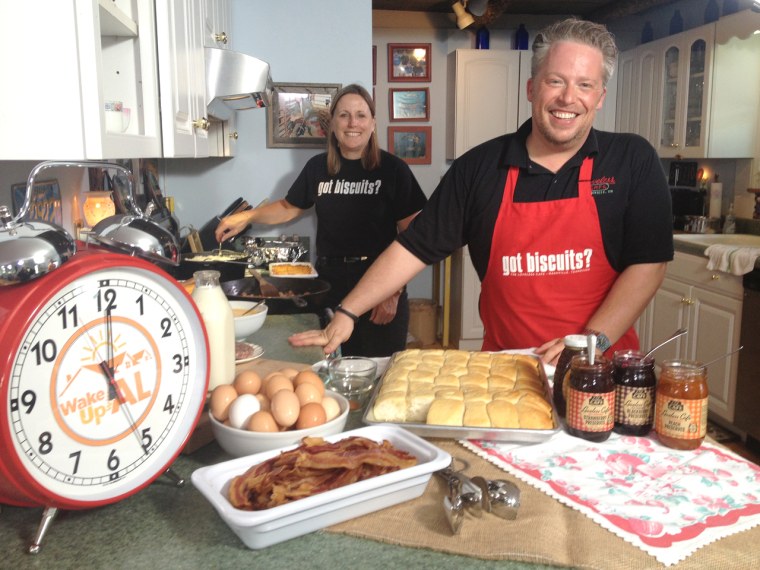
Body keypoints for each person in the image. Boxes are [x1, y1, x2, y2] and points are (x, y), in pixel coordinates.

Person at [290, 18, 674, 365]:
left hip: (602, 370)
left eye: (584, 85)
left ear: (600, 97)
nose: (568, 98)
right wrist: (347, 313)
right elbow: (413, 247)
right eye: (555, 81)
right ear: (531, 87)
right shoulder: (479, 168)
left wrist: (591, 343)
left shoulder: (631, 159)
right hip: (508, 371)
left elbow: (649, 263)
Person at [215, 83, 427, 357]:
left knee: (380, 371)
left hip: (378, 283)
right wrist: (248, 216)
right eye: (344, 115)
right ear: (333, 124)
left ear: (373, 123)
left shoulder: (393, 170)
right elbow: (289, 207)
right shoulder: (319, 168)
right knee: (330, 366)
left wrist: (393, 290)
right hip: (330, 284)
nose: (353, 123)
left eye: (361, 115)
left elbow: (414, 237)